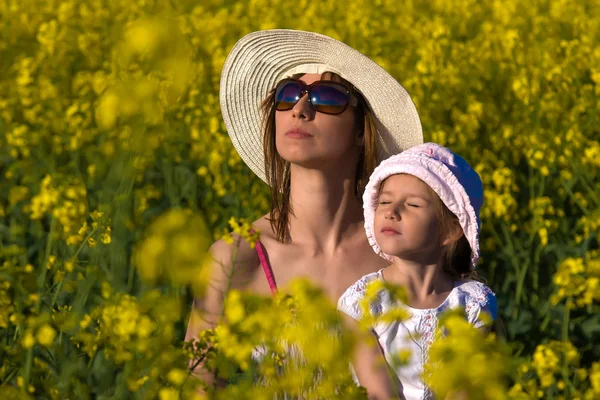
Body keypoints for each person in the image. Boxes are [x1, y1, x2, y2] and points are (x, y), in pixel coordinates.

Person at [185, 28, 423, 381]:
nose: (299, 109)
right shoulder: (236, 258)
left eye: (325, 97)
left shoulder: (403, 250)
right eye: (288, 93)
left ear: (362, 130)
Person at [337, 142, 498, 400]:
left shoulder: (473, 304)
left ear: (450, 231)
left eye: (412, 205)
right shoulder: (362, 303)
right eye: (385, 201)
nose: (391, 211)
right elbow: (377, 393)